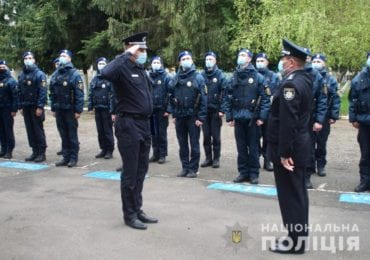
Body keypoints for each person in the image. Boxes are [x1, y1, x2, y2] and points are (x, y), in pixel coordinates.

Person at [101, 32, 158, 230]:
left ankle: (138, 209)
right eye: (139, 49)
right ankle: (129, 215)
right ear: (129, 48)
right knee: (130, 172)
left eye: (143, 49)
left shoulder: (140, 69)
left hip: (143, 124)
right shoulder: (121, 67)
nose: (143, 53)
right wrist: (126, 54)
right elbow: (106, 72)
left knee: (141, 170)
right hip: (128, 125)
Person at [266, 39, 313, 254]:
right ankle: (298, 238)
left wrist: (284, 153)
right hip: (300, 145)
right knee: (298, 194)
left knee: (291, 196)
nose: (281, 62)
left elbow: (288, 123)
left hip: (291, 150)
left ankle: (295, 242)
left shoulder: (291, 84)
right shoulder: (304, 79)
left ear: (292, 62)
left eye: (284, 59)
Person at [224, 48, 270, 184]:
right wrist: (229, 116)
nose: (241, 57)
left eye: (243, 55)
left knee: (254, 147)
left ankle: (254, 174)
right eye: (239, 55)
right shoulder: (234, 76)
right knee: (241, 148)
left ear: (249, 59)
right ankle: (243, 172)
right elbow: (227, 97)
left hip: (253, 119)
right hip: (238, 118)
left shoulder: (258, 77)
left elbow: (265, 99)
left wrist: (262, 117)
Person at [167, 51, 207, 178]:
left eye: (188, 58)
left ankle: (193, 169)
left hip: (193, 116)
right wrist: (174, 114)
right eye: (183, 58)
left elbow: (204, 99)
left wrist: (201, 117)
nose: (186, 60)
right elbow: (170, 96)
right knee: (182, 144)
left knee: (194, 144)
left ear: (192, 60)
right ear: (179, 62)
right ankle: (185, 167)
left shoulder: (198, 77)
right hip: (180, 116)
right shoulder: (175, 78)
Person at [49, 49, 84, 167]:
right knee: (63, 134)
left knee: (71, 134)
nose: (61, 57)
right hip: (59, 109)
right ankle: (65, 157)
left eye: (64, 56)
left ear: (69, 58)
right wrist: (53, 108)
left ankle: (73, 158)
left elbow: (79, 94)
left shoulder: (74, 74)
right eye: (60, 55)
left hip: (70, 109)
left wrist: (78, 110)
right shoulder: (56, 74)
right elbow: (52, 92)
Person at [311, 54, 341, 176]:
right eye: (314, 61)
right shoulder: (309, 76)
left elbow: (335, 99)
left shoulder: (330, 79)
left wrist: (333, 116)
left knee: (321, 143)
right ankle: (310, 165)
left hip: (324, 116)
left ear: (324, 63)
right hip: (310, 116)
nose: (316, 63)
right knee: (309, 142)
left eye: (319, 61)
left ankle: (321, 165)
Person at [18, 51, 48, 162]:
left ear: (34, 60)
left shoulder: (39, 74)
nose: (28, 60)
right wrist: (20, 106)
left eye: (30, 58)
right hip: (26, 106)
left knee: (37, 130)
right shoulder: (21, 75)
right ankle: (34, 151)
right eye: (26, 58)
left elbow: (43, 91)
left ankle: (41, 153)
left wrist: (40, 106)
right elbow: (19, 91)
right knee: (30, 130)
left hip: (36, 107)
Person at [304, 50, 328, 188]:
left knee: (308, 148)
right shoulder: (290, 74)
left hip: (309, 118)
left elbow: (322, 100)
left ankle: (306, 176)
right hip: (293, 119)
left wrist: (319, 120)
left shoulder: (316, 76)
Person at [200, 51, 227, 169]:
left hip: (216, 111)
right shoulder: (201, 75)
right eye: (206, 59)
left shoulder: (220, 75)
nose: (208, 61)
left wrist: (222, 110)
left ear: (215, 61)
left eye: (211, 59)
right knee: (206, 136)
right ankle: (208, 158)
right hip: (204, 111)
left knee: (215, 137)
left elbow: (225, 93)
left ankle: (216, 158)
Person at [349, 52, 370, 192]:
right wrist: (353, 118)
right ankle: (365, 181)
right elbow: (352, 99)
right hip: (365, 123)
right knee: (366, 155)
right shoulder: (359, 78)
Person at [255, 52, 280, 171]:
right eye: (258, 61)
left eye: (262, 61)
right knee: (255, 136)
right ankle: (256, 157)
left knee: (268, 137)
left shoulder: (273, 76)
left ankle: (267, 160)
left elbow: (277, 92)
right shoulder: (253, 75)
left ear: (267, 62)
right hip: (255, 111)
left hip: (269, 112)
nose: (260, 63)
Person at [88, 57, 115, 159]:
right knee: (100, 130)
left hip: (107, 109)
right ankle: (103, 149)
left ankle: (109, 150)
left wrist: (113, 111)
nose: (101, 65)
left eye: (103, 63)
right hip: (97, 108)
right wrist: (91, 106)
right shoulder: (95, 78)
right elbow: (91, 93)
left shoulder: (110, 78)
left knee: (107, 130)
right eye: (99, 63)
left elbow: (113, 96)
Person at [148, 56, 171, 164]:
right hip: (151, 110)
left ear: (161, 64)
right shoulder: (148, 77)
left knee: (162, 133)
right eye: (154, 62)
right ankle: (155, 153)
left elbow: (170, 94)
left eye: (157, 62)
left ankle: (162, 154)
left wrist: (168, 110)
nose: (155, 64)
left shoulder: (166, 77)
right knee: (153, 133)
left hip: (162, 110)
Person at [0, 60, 18, 159]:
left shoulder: (11, 81)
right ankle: (3, 149)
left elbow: (15, 96)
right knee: (1, 130)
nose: (1, 69)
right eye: (0, 67)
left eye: (3, 67)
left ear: (6, 68)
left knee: (8, 130)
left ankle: (9, 151)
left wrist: (14, 109)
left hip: (7, 109)